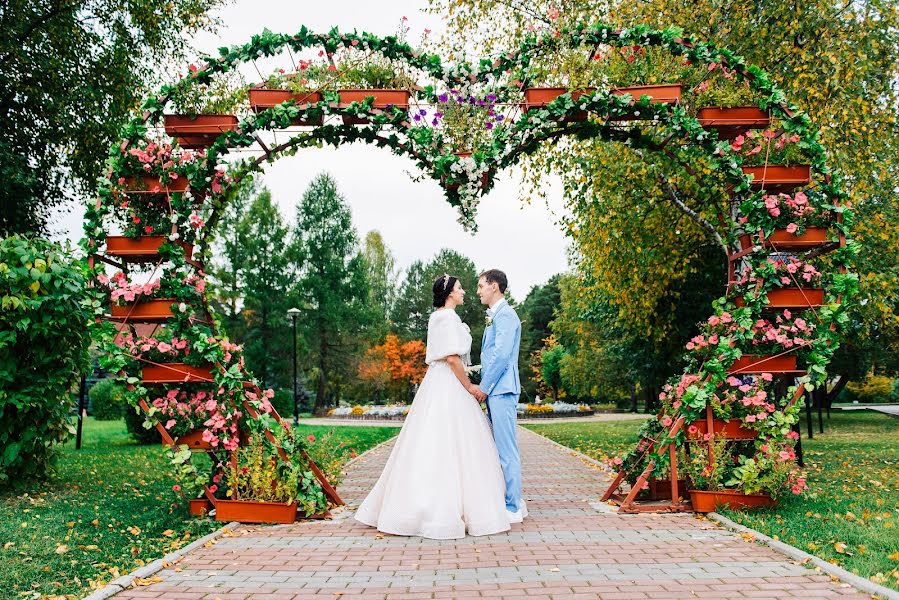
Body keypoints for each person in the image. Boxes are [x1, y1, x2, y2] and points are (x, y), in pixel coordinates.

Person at [354, 275, 511, 539]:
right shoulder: (447, 318)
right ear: (449, 293)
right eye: (460, 288)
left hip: (436, 382)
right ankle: (448, 511)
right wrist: (470, 387)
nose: (464, 292)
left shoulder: (438, 317)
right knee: (455, 442)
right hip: (449, 383)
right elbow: (452, 358)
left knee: (430, 440)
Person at [470, 269, 526, 523]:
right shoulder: (497, 316)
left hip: (501, 389)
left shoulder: (506, 316)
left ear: (494, 286)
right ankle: (512, 500)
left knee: (506, 448)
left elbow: (502, 356)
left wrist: (484, 386)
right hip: (498, 389)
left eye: (481, 286)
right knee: (501, 447)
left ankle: (513, 507)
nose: (478, 291)